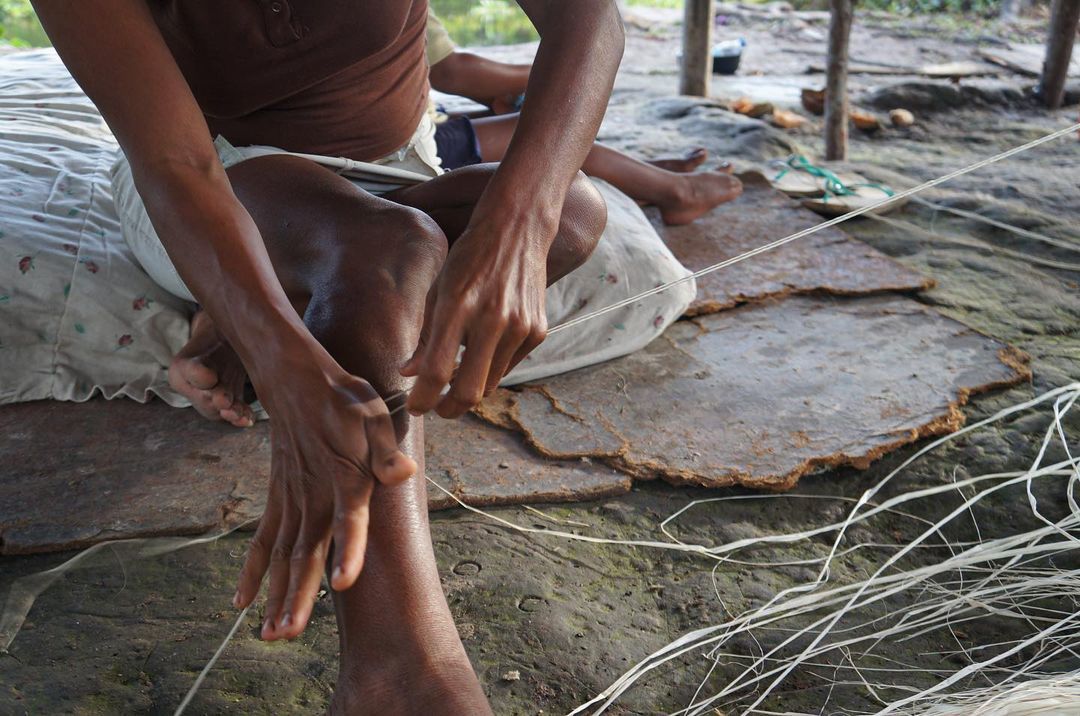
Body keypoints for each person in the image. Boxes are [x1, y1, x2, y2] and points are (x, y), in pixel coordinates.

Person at [31, 1, 624, 713]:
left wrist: (520, 225)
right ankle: (396, 668)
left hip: (399, 165)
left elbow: (589, 17)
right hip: (213, 179)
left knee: (574, 214)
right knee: (387, 254)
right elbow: (175, 164)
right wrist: (283, 368)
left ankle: (269, 293)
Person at [426, 10, 743, 226]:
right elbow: (451, 71)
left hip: (412, 127)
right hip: (396, 150)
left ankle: (634, 177)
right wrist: (557, 75)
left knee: (513, 116)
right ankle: (676, 194)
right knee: (548, 131)